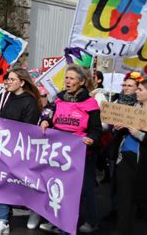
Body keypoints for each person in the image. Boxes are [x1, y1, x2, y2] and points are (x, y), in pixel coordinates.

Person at [39, 64, 102, 234]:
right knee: (60, 188)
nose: (67, 81)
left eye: (72, 78)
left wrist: (92, 139)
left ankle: (91, 220)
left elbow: (96, 129)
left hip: (82, 154)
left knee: (85, 189)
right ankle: (60, 221)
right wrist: (45, 120)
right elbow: (47, 113)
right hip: (59, 152)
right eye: (66, 78)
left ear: (81, 82)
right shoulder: (59, 99)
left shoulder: (91, 103)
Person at [0, 68, 42, 235]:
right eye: (7, 79)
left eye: (11, 79)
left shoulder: (30, 102)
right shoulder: (5, 96)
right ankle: (3, 221)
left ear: (22, 82)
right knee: (3, 183)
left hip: (20, 150)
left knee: (24, 184)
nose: (7, 82)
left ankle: (36, 209)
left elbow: (28, 129)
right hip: (4, 147)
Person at [111, 79, 147, 235]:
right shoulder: (134, 108)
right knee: (124, 200)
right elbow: (121, 130)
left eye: (140, 89)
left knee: (145, 203)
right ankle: (122, 230)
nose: (136, 91)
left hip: (145, 163)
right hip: (125, 158)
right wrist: (119, 127)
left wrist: (139, 134)